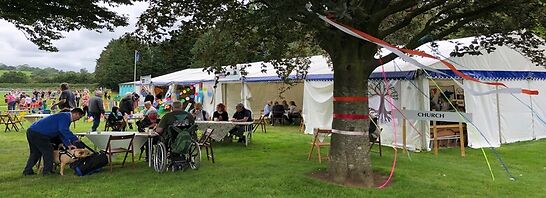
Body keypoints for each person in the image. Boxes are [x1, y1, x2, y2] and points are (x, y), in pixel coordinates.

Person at [22, 108, 85, 176]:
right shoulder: (65, 117)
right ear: (76, 114)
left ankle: (27, 171)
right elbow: (63, 130)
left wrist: (68, 144)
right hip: (39, 134)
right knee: (48, 151)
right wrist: (75, 139)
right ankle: (47, 171)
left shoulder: (64, 116)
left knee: (35, 152)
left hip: (32, 131)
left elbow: (60, 133)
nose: (79, 119)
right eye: (80, 117)